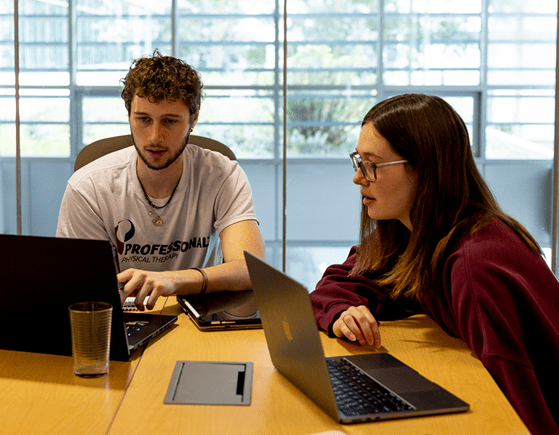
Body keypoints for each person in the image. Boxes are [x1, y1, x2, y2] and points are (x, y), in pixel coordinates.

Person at [310, 94, 559, 435]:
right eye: (357, 161)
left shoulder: (475, 266)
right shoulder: (415, 233)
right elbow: (341, 281)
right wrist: (342, 311)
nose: (358, 178)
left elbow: (519, 411)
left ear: (424, 169)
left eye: (371, 165)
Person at [57, 50, 265, 315]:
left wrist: (172, 280)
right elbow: (83, 294)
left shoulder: (222, 174)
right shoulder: (87, 186)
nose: (155, 137)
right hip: (122, 325)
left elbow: (250, 269)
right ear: (129, 115)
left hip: (199, 322)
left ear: (193, 119)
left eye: (169, 121)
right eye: (143, 119)